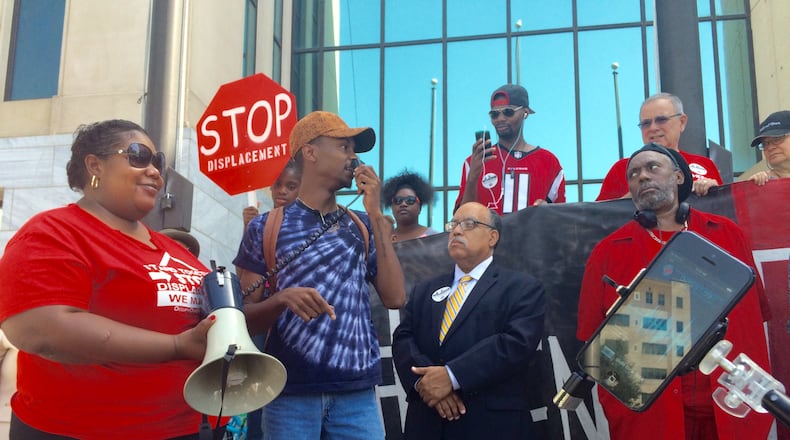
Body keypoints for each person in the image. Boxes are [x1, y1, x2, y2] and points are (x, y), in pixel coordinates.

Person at [0, 119, 223, 439]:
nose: (155, 171)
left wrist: (277, 303)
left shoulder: (174, 249)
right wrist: (176, 346)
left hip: (188, 427)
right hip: (83, 430)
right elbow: (40, 330)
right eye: (138, 156)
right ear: (95, 165)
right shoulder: (53, 232)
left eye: (158, 162)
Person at [577, 143, 772, 440]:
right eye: (634, 174)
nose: (642, 177)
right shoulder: (607, 253)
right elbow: (593, 343)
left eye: (652, 167)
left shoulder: (727, 233)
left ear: (679, 177)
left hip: (728, 409)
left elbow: (756, 315)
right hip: (653, 419)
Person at [233, 110, 406, 439]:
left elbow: (396, 297)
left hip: (356, 394)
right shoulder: (265, 227)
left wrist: (375, 213)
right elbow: (242, 317)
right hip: (288, 393)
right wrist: (282, 300)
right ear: (310, 152)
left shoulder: (363, 224)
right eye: (343, 146)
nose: (353, 157)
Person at [392, 201, 546, 439]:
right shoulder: (425, 289)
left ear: (492, 237)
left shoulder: (522, 288)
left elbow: (515, 343)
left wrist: (452, 376)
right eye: (453, 224)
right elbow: (403, 338)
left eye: (469, 224)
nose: (456, 231)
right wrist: (427, 384)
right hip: (427, 424)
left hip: (491, 425)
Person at [455, 84, 566, 214]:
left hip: (532, 234)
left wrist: (548, 210)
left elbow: (561, 219)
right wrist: (473, 175)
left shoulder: (549, 162)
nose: (500, 119)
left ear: (525, 112)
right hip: (488, 234)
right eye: (494, 114)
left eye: (508, 112)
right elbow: (461, 218)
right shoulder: (475, 161)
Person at [596, 93, 724, 200]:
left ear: (682, 122)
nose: (653, 128)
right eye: (646, 123)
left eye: (661, 120)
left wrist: (716, 192)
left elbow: (725, 213)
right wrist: (640, 193)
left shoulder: (705, 164)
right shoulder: (623, 168)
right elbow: (600, 220)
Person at [242, 160, 302, 231]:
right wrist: (248, 227)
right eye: (277, 184)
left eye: (291, 187)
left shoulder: (306, 227)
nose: (282, 191)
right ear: (271, 185)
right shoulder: (261, 224)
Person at [381, 171, 438, 242]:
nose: (403, 204)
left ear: (420, 206)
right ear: (391, 206)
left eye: (410, 200)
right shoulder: (383, 241)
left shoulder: (434, 238)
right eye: (398, 200)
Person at [748, 110, 790, 185]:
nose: (770, 148)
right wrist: (751, 189)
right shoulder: (762, 184)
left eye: (777, 139)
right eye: (765, 144)